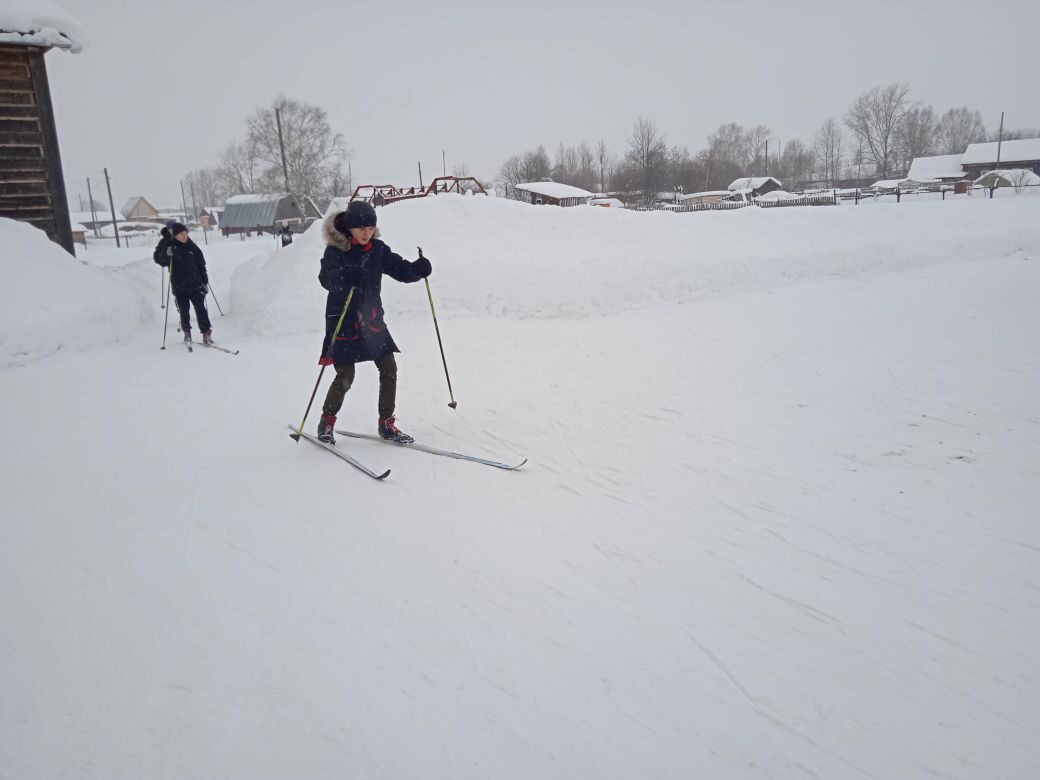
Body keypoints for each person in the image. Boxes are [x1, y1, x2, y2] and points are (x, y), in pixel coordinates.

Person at [316, 200, 432, 444]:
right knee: (346, 374)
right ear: (349, 227)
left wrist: (417, 270)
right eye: (361, 228)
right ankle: (327, 421)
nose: (366, 233)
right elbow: (326, 279)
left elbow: (399, 269)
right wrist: (344, 275)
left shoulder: (377, 249)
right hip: (344, 320)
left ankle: (386, 423)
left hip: (371, 320)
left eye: (370, 228)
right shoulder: (336, 251)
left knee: (389, 367)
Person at [154, 222, 213, 345]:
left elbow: (201, 265)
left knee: (201, 309)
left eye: (186, 233)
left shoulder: (192, 247)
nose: (184, 236)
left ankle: (206, 333)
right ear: (175, 235)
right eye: (181, 234)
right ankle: (187, 332)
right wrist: (166, 254)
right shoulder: (169, 245)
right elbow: (160, 260)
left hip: (195, 284)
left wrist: (205, 282)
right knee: (183, 310)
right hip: (179, 285)